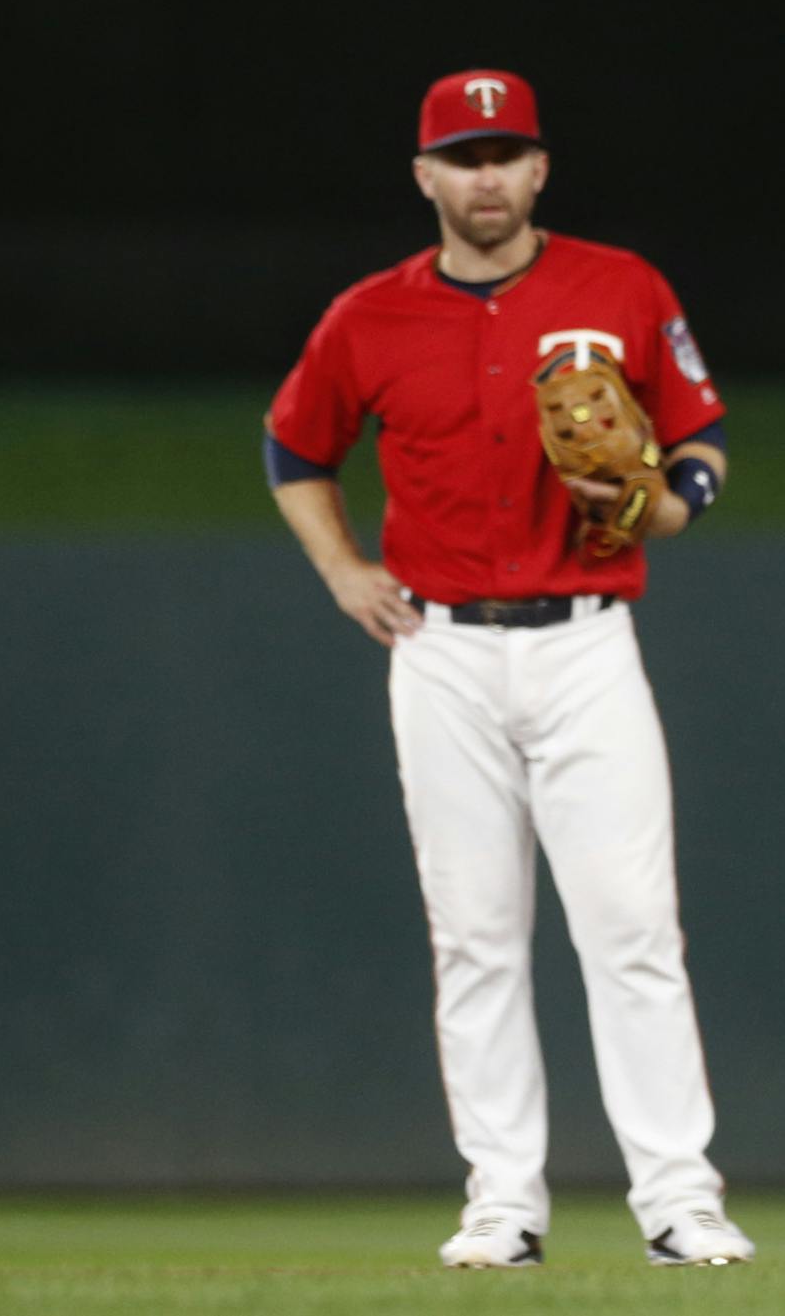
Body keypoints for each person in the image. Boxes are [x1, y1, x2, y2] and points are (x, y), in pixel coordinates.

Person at [266, 68, 752, 1270]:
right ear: (425, 175)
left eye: (506, 152)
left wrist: (662, 507)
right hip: (439, 649)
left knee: (633, 926)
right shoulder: (366, 317)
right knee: (475, 934)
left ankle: (680, 1201)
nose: (486, 175)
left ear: (540, 168)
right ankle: (502, 1202)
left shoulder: (621, 286)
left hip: (587, 638)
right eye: (463, 154)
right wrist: (341, 571)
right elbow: (293, 447)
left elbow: (701, 440)